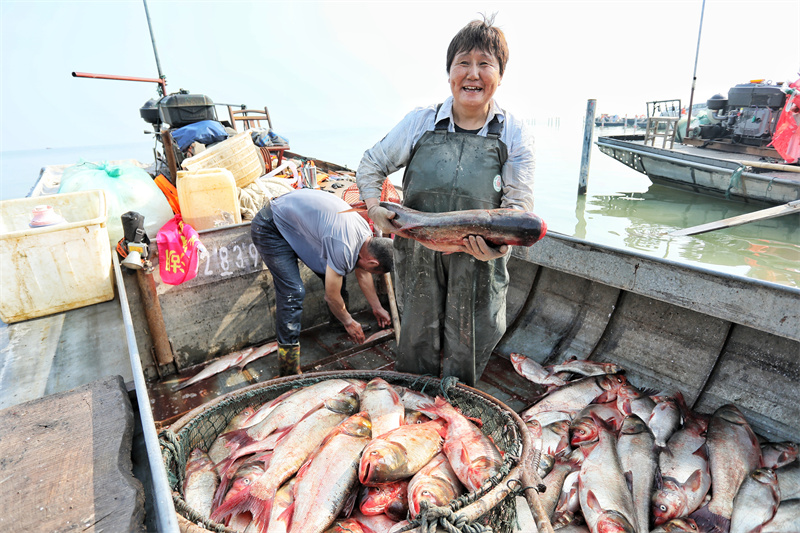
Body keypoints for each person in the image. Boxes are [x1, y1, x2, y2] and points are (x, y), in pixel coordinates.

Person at [356, 15, 535, 387]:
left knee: (469, 344)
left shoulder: (514, 133)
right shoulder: (420, 123)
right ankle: (412, 406)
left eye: (485, 64)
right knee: (416, 338)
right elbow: (372, 164)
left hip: (478, 258)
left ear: (500, 75)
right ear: (449, 72)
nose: (473, 74)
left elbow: (519, 209)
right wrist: (374, 207)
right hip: (417, 251)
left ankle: (458, 407)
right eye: (463, 64)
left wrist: (497, 251)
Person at [250, 188, 394, 376]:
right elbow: (331, 296)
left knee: (338, 272)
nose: (369, 272)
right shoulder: (344, 245)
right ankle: (288, 367)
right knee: (293, 292)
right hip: (271, 227)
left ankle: (337, 323)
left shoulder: (365, 236)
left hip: (295, 223)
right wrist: (350, 321)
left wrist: (376, 307)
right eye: (373, 269)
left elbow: (363, 273)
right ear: (373, 261)